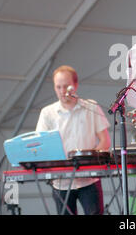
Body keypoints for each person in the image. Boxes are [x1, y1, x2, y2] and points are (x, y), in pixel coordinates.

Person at [36, 65, 111, 215]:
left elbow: (105, 141)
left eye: (66, 86)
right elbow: (40, 144)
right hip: (60, 182)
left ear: (75, 85)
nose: (62, 91)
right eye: (58, 87)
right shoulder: (47, 113)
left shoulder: (91, 107)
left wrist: (89, 161)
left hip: (90, 179)